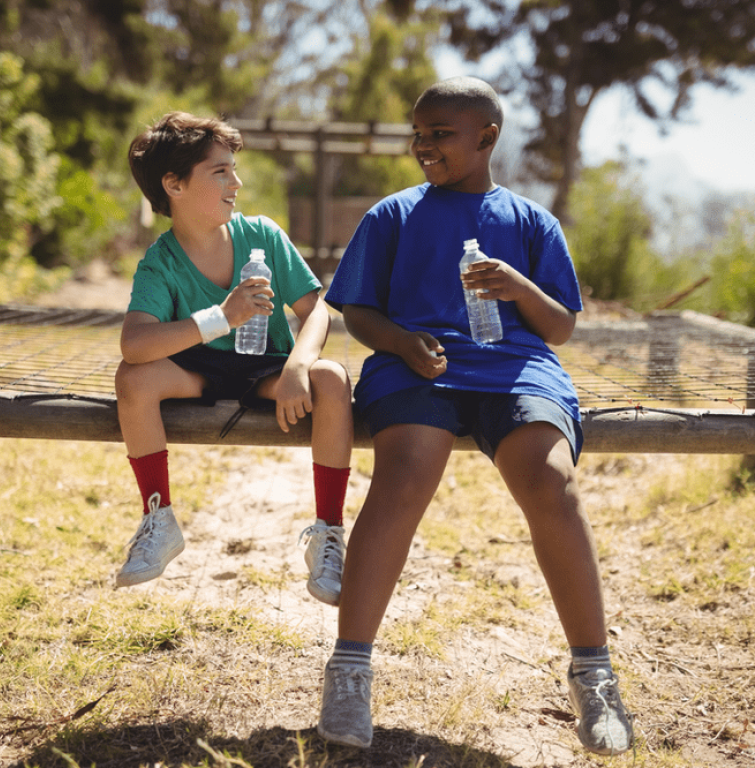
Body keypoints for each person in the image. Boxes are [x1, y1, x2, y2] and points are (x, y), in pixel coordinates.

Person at [317, 77, 634, 756]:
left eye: (441, 133)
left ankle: (594, 673)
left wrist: (518, 286)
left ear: (487, 137)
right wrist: (402, 341)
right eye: (419, 132)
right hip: (414, 366)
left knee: (552, 484)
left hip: (515, 369)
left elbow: (561, 328)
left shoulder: (530, 222)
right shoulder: (393, 215)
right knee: (403, 476)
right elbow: (359, 309)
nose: (424, 144)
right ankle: (349, 669)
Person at [114, 112, 352, 606]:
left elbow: (317, 312)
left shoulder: (262, 235)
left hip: (269, 372)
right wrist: (221, 318)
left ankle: (329, 534)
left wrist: (298, 368)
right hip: (197, 370)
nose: (236, 182)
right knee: (133, 379)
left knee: (331, 378)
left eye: (234, 169)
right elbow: (135, 345)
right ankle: (158, 519)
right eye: (220, 171)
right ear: (173, 185)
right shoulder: (161, 260)